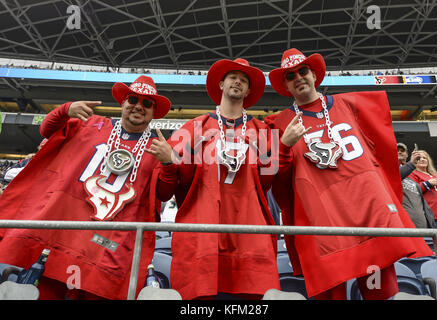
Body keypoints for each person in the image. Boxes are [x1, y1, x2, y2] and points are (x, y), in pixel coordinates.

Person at [264, 48, 433, 300]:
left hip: (368, 214)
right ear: (285, 85)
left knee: (382, 294)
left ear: (314, 74)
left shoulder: (352, 105)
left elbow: (382, 154)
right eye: (290, 76)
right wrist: (284, 145)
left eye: (303, 71)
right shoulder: (279, 124)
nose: (298, 77)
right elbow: (274, 180)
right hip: (321, 221)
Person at [146, 58, 308, 300]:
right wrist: (169, 162)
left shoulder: (263, 131)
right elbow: (165, 191)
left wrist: (283, 148)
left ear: (249, 90)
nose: (238, 82)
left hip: (250, 239)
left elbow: (268, 184)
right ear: (221, 84)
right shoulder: (193, 128)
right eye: (233, 77)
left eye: (244, 80)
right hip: (202, 238)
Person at [0, 75, 171, 300]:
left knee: (97, 292)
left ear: (153, 111)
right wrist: (65, 110)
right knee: (45, 290)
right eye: (133, 99)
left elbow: (165, 193)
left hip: (108, 243)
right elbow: (46, 130)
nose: (138, 106)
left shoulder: (157, 148)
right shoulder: (90, 124)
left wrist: (169, 163)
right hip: (65, 234)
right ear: (123, 102)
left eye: (147, 103)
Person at [408, 150, 437, 229]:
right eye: (419, 158)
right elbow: (412, 190)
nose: (422, 159)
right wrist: (428, 183)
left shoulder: (435, 176)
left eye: (425, 158)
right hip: (430, 215)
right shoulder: (412, 174)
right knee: (435, 241)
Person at [397, 143, 435, 228]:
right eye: (397, 150)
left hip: (423, 227)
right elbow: (395, 176)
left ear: (407, 154)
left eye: (402, 151)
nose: (399, 152)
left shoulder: (412, 176)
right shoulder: (387, 171)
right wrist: (412, 163)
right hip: (403, 228)